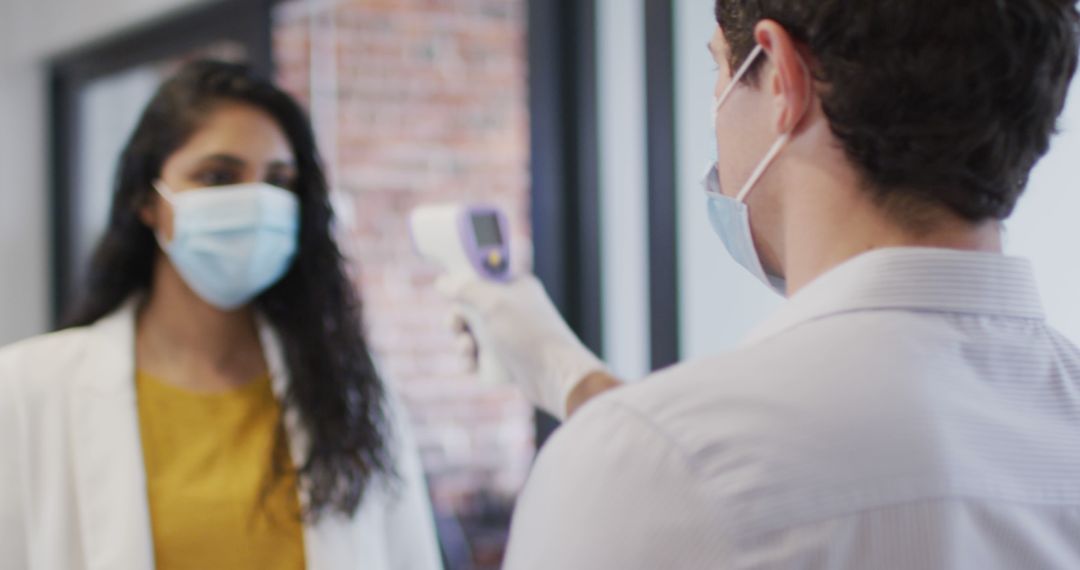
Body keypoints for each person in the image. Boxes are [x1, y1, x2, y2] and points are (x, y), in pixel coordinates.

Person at [439, 0, 1080, 568]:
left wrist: (613, 433)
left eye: (718, 65)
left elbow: (691, 475)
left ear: (779, 78)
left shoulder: (638, 466)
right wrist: (568, 375)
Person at [0, 61, 442, 570]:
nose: (256, 201)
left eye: (278, 181)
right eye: (218, 176)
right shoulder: (27, 389)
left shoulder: (351, 386)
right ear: (148, 199)